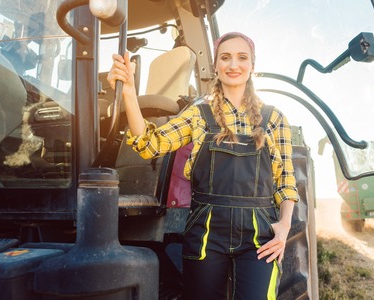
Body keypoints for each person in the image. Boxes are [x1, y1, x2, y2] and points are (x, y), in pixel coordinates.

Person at [107, 32, 299, 300]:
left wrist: (286, 224)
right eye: (225, 57)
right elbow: (150, 144)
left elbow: (286, 180)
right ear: (216, 66)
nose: (234, 65)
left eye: (242, 58)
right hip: (207, 230)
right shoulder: (199, 114)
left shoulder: (274, 118)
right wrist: (129, 92)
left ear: (252, 66)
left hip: (259, 233)